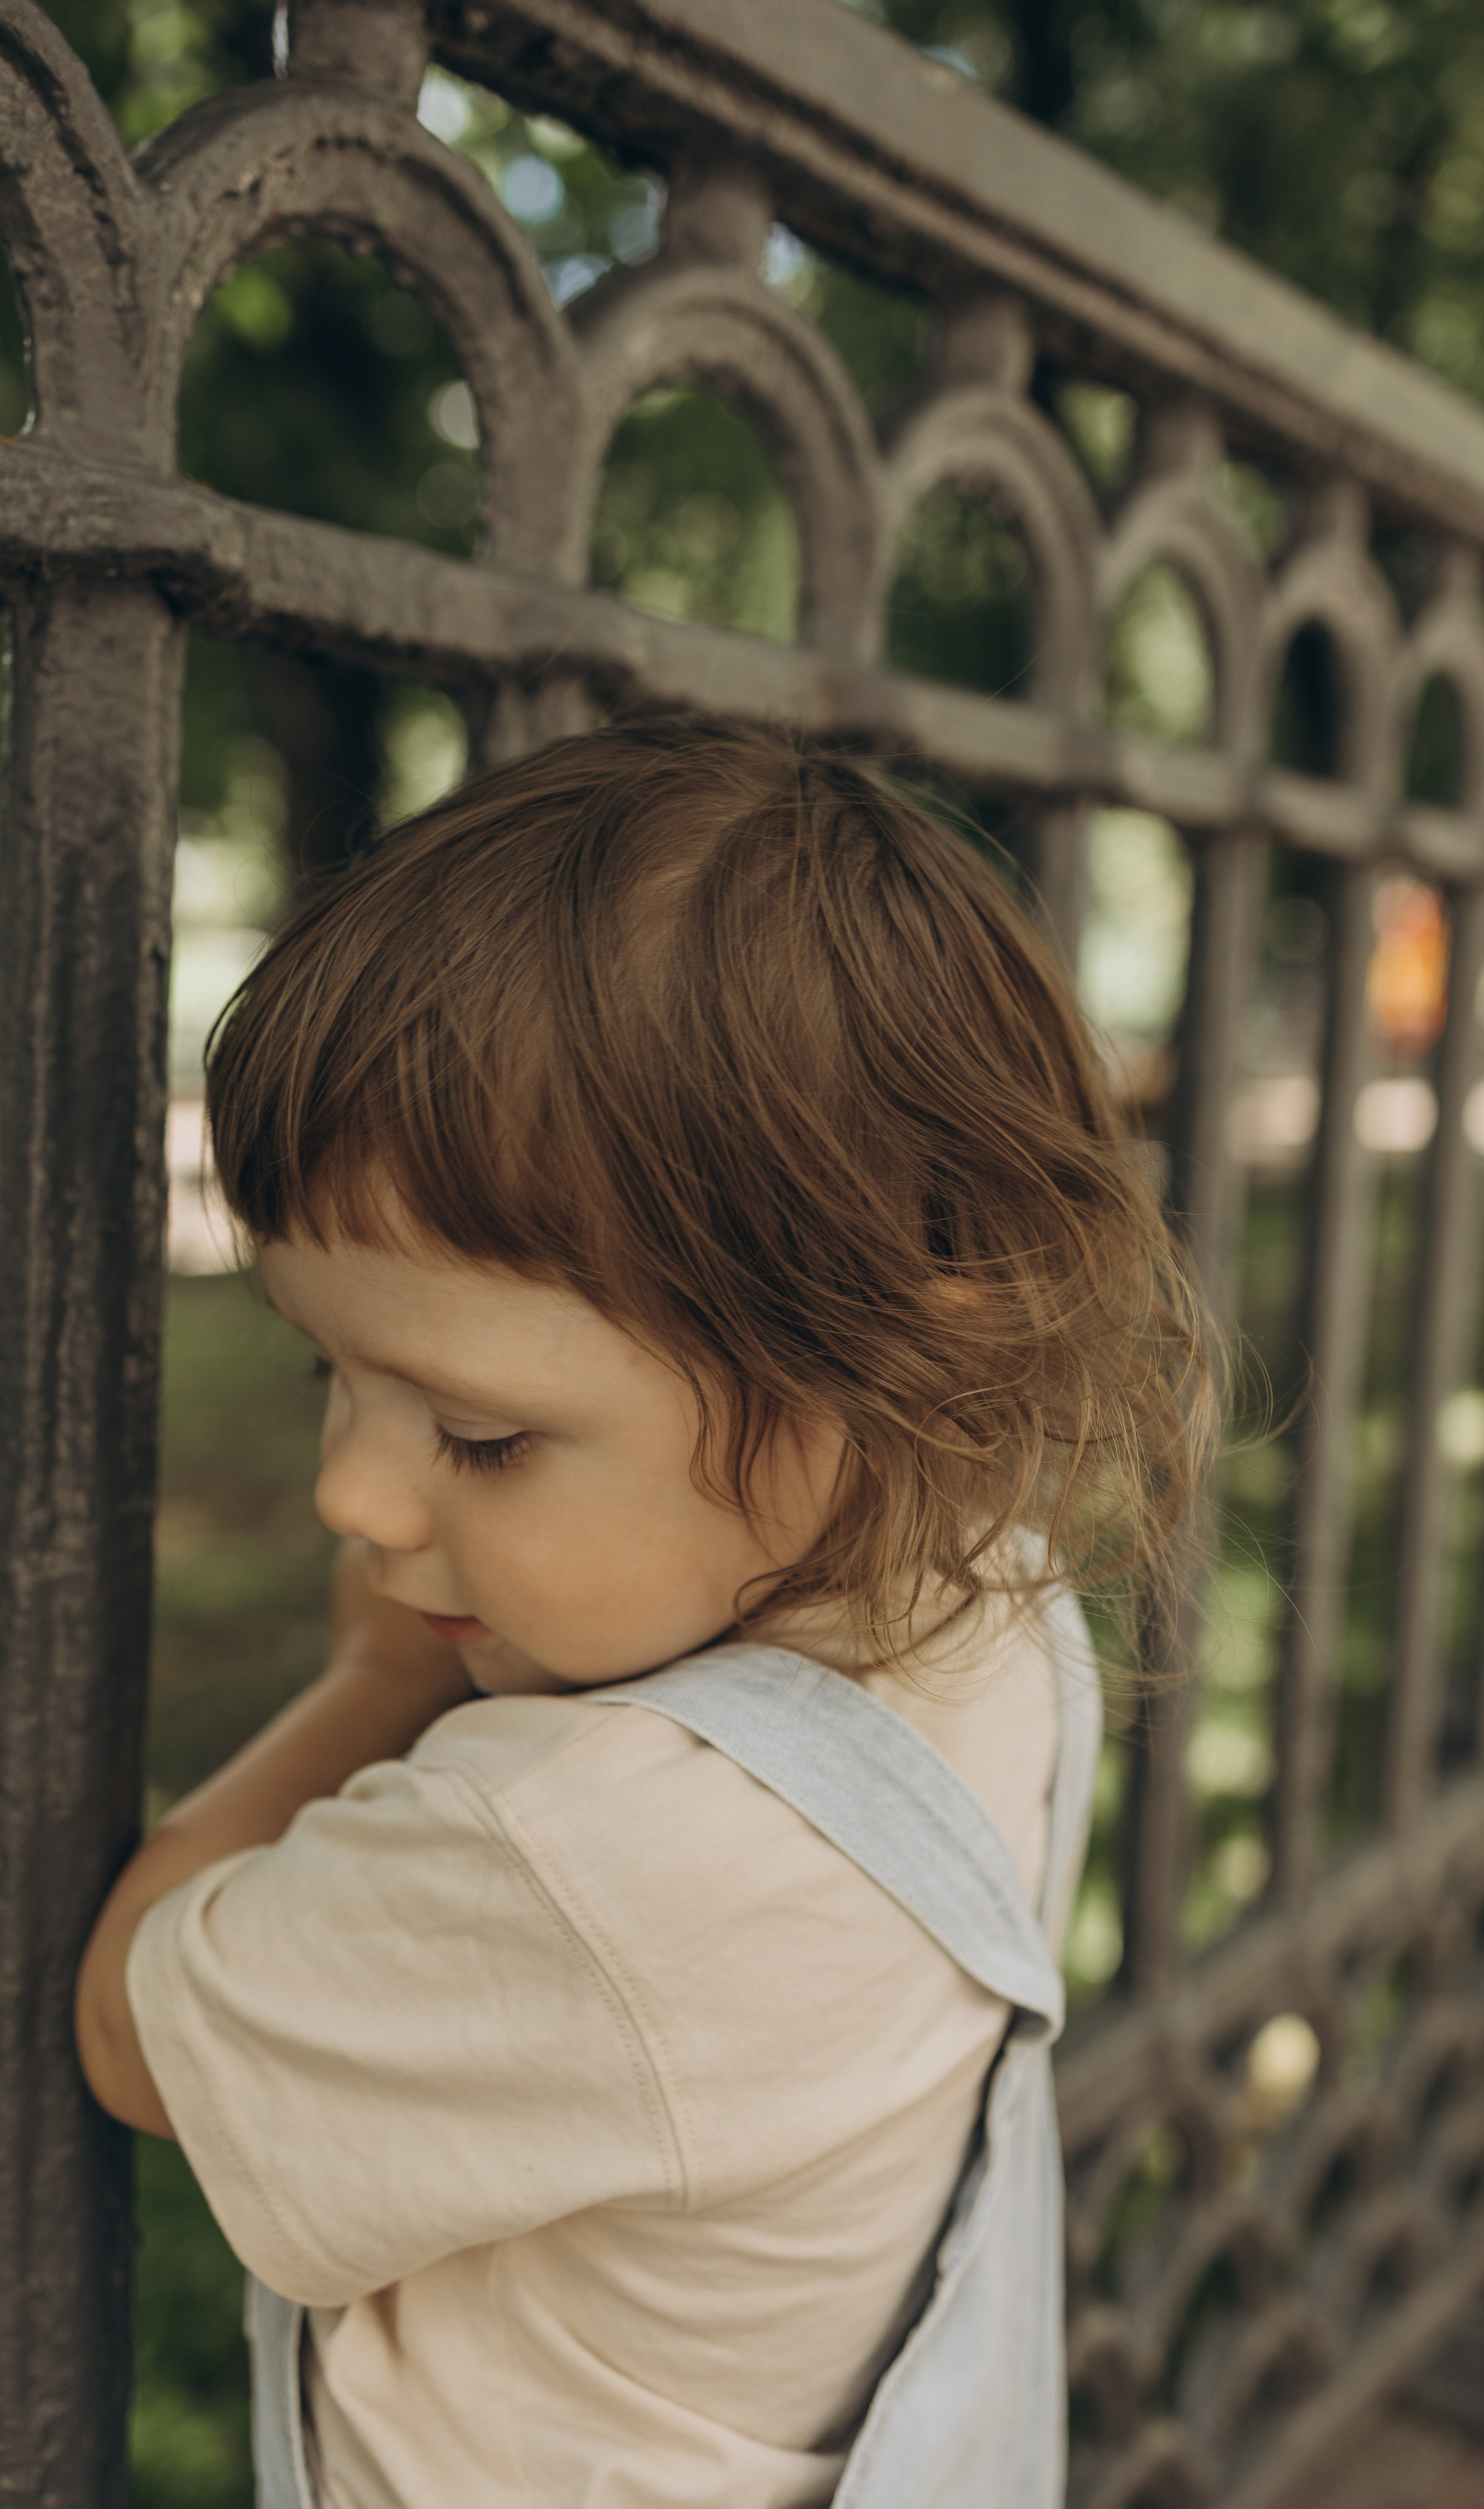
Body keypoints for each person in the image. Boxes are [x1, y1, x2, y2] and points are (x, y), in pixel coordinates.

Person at [76, 715, 1208, 2509]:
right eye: (326, 1374)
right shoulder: (1000, 1602)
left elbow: (135, 2030)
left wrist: (370, 1676)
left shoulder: (587, 1858)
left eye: (478, 1434)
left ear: (874, 1373)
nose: (350, 1497)